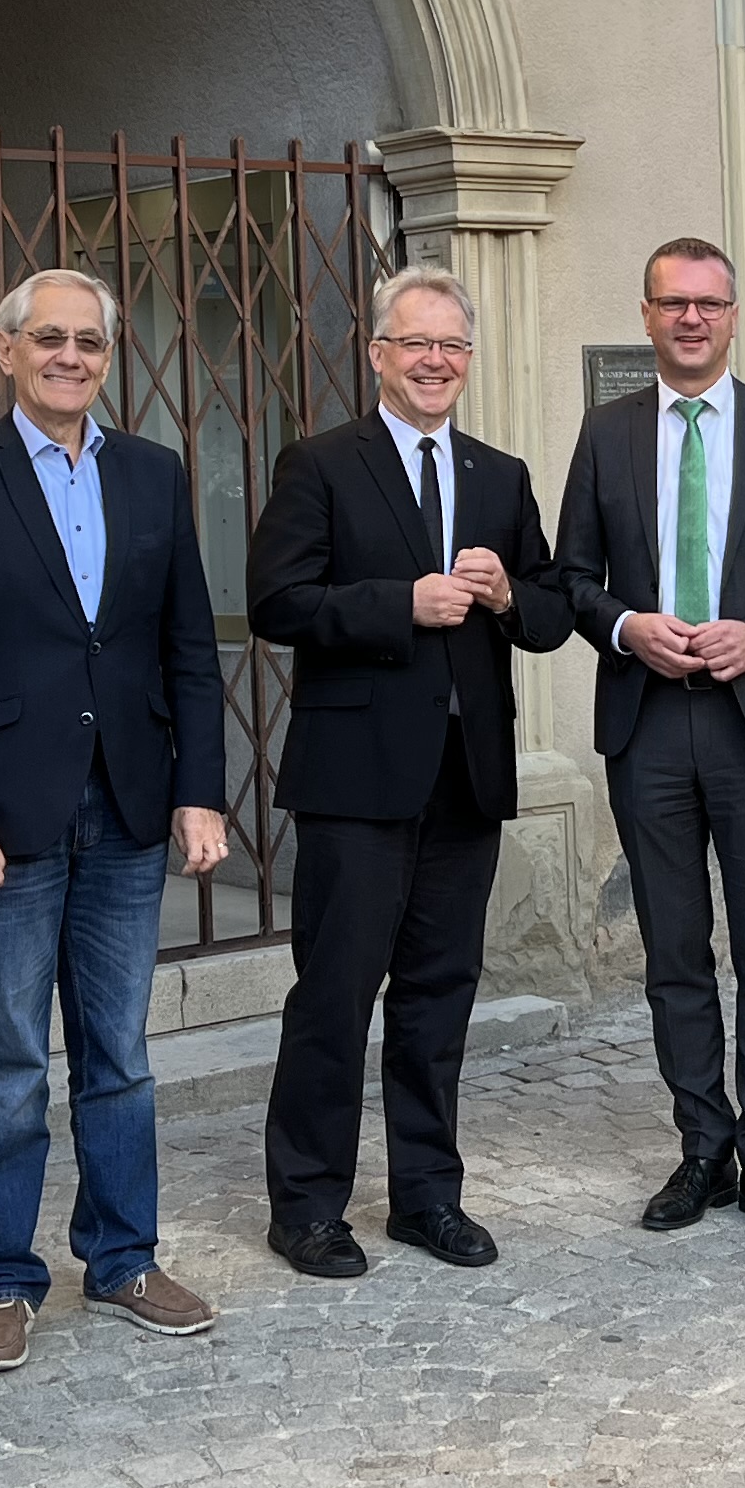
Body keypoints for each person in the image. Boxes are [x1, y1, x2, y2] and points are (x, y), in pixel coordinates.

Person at [0, 268, 230, 1373]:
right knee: (9, 1063)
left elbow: (187, 648)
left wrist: (199, 790)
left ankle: (124, 1258)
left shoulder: (151, 472)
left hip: (128, 803)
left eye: (88, 340)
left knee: (119, 1052)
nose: (70, 356)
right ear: (7, 351)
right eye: (49, 339)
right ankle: (2, 1280)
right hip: (3, 819)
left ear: (108, 355)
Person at [247, 267, 572, 1278]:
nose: (435, 361)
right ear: (379, 354)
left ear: (468, 360)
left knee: (439, 995)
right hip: (356, 779)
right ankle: (307, 1206)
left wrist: (507, 594)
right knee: (335, 996)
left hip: (464, 776)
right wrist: (400, 604)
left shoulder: (499, 474)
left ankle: (428, 1196)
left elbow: (552, 613)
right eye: (416, 343)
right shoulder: (319, 463)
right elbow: (276, 601)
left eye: (452, 346)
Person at [555, 238, 745, 1245]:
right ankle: (702, 1146)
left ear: (733, 316)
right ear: (647, 315)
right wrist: (623, 626)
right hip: (647, 723)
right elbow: (571, 577)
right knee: (674, 951)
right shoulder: (606, 433)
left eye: (710, 304)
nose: (692, 319)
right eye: (674, 303)